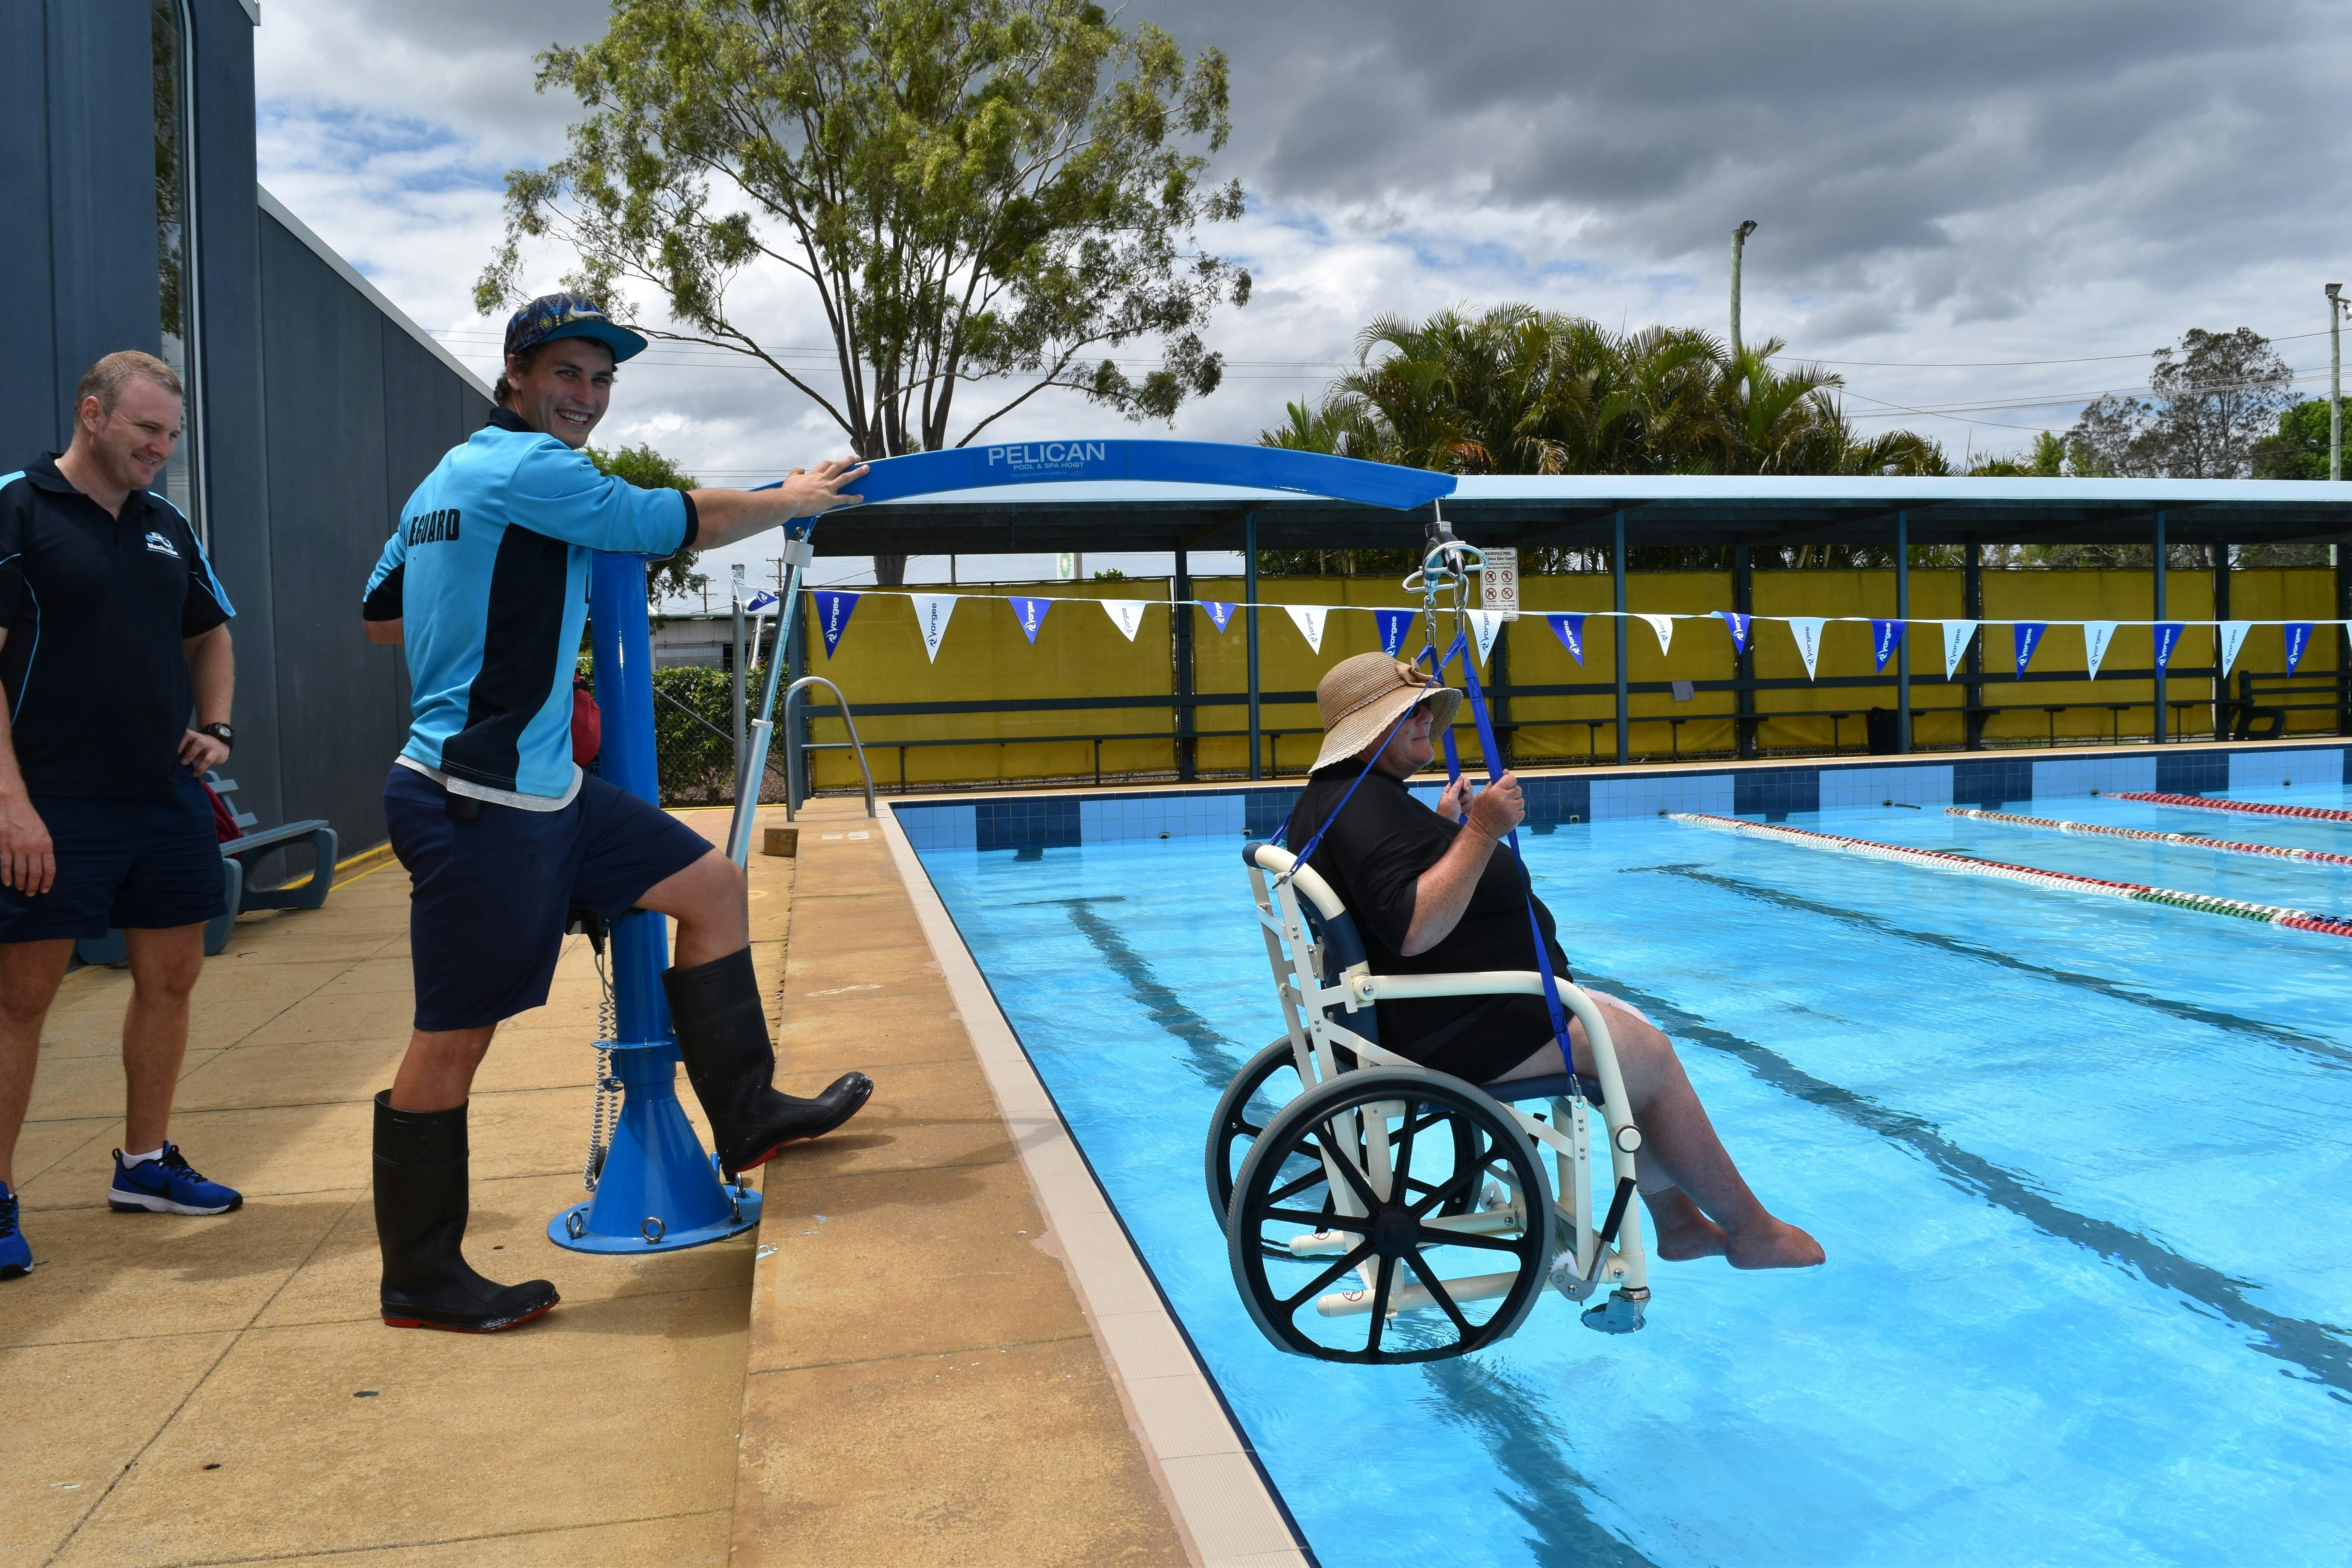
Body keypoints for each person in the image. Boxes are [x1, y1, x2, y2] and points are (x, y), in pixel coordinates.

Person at [357, 293, 874, 1332]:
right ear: (516, 374)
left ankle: (747, 1114)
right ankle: (417, 1275)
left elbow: (380, 617)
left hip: (545, 787)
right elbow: (680, 522)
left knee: (711, 887)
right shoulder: (538, 470)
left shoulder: (441, 483)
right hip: (476, 802)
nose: (585, 398)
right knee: (454, 1039)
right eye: (566, 376)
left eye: (600, 381)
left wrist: (495, 634)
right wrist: (796, 492)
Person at [1283, 651, 1823, 1271]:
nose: (1428, 717)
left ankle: (1679, 1226)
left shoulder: (1342, 800)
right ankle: (1751, 1231)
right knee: (1648, 1056)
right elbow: (1412, 929)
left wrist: (1443, 828)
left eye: (1428, 707)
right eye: (1411, 711)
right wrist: (1482, 830)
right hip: (1451, 1032)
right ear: (1367, 731)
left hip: (1429, 1016)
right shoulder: (1366, 807)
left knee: (1625, 1027)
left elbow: (1388, 889)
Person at [0, 351, 244, 1280]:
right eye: (148, 430)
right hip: (49, 805)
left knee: (173, 979)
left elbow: (210, 626)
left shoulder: (163, 523)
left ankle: (145, 1165)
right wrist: (11, 801)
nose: (162, 449)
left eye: (172, 436)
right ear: (92, 414)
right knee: (21, 999)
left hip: (162, 796)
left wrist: (214, 725)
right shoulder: (17, 508)